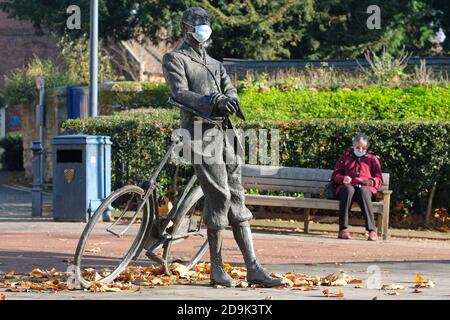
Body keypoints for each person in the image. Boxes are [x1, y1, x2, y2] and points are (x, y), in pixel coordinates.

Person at [162, 7, 285, 287]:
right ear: (186, 28)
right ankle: (216, 269)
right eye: (198, 24)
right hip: (198, 134)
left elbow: (231, 90)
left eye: (206, 23)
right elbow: (180, 93)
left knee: (237, 198)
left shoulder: (216, 63)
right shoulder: (176, 59)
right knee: (219, 198)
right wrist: (213, 100)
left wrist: (228, 98)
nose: (203, 28)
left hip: (226, 134)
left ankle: (253, 267)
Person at [331, 133, 383, 241]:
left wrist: (368, 182)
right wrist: (343, 179)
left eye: (363, 147)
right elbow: (335, 175)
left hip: (364, 189)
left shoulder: (372, 159)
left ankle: (372, 230)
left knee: (363, 192)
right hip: (348, 188)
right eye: (358, 147)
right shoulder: (345, 158)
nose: (360, 149)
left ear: (366, 147)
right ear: (353, 146)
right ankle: (343, 229)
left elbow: (379, 179)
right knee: (347, 190)